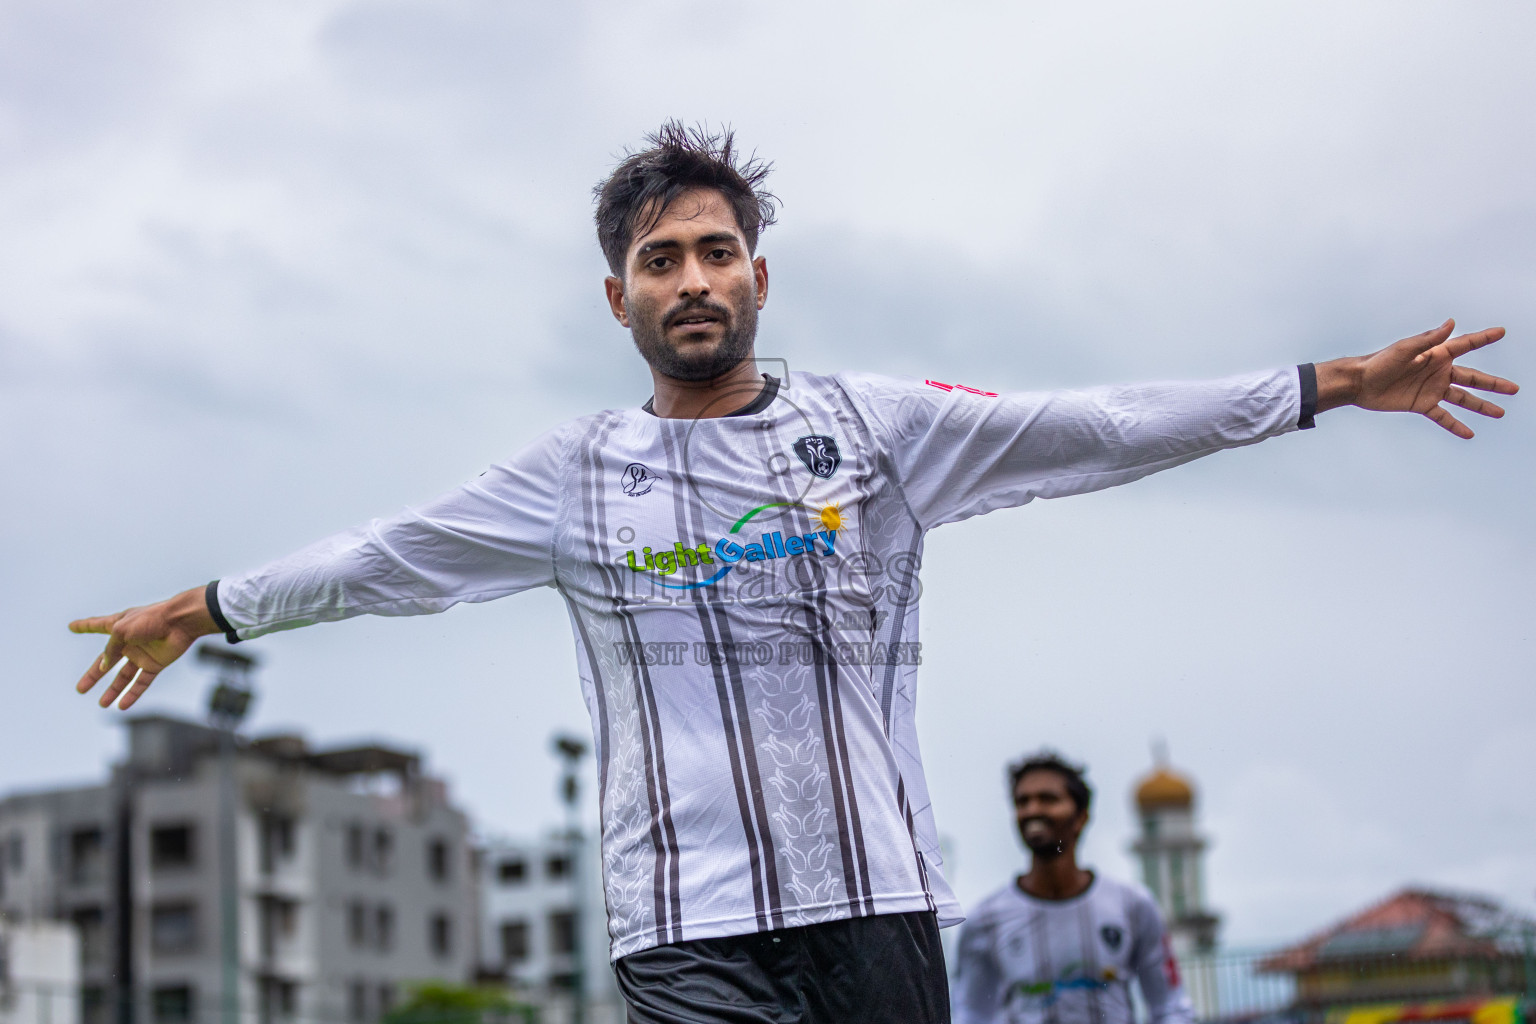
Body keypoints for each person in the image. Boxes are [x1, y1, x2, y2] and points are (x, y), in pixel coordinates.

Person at [69, 122, 1516, 1024]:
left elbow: (1103, 425)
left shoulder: (879, 431)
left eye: (715, 251)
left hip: (879, 911)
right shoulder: (572, 475)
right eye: (659, 259)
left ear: (761, 276)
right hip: (683, 929)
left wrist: (1326, 383)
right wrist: (206, 606)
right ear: (618, 296)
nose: (690, 278)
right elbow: (389, 558)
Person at [952, 753, 1194, 1024]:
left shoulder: (1132, 905)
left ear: (1081, 817)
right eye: (1023, 801)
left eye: (1048, 799)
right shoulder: (985, 920)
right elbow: (971, 1013)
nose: (1033, 810)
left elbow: (1170, 1006)